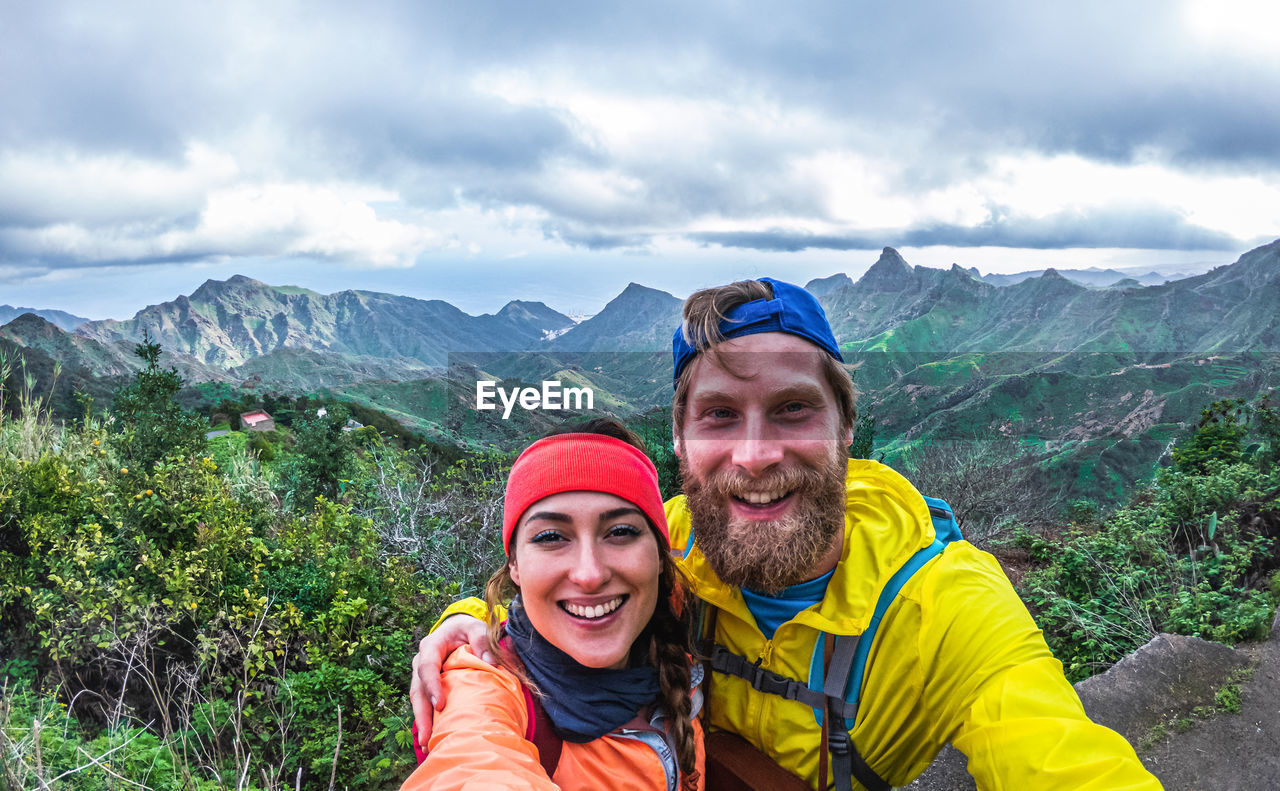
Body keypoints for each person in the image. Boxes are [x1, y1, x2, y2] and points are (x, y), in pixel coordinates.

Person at [412, 279, 1163, 790]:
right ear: (679, 443)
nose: (755, 454)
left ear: (847, 430)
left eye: (794, 410)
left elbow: (1057, 746)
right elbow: (558, 589)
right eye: (718, 416)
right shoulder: (664, 542)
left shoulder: (947, 611)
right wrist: (463, 624)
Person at [401, 420, 704, 791]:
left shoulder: (684, 628)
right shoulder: (482, 679)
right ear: (514, 564)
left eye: (621, 532)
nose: (589, 574)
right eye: (551, 537)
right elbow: (471, 763)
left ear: (659, 555)